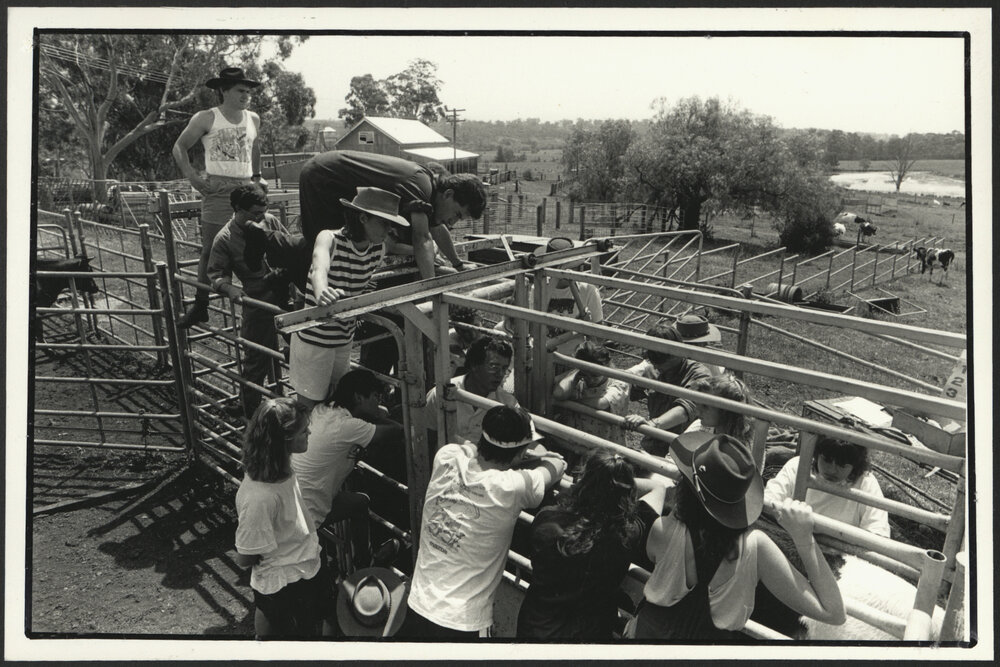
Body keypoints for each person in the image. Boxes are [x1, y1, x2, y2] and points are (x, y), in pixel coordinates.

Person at [629, 431, 845, 640]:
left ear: (685, 487)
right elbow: (833, 613)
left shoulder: (663, 529)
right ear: (740, 502)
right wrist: (804, 539)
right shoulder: (755, 547)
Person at [400, 406, 567, 639]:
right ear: (521, 453)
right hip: (464, 621)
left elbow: (467, 448)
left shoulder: (447, 456)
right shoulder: (512, 486)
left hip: (419, 603)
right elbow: (556, 466)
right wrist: (539, 457)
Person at [289, 187, 405, 410]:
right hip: (316, 340)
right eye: (384, 223)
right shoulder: (329, 237)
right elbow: (318, 266)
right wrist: (321, 289)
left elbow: (370, 277)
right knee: (308, 407)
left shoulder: (377, 249)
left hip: (343, 340)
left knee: (336, 402)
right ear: (363, 218)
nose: (389, 230)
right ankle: (303, 444)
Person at [515, 450, 648, 641]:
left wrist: (599, 477)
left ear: (583, 481)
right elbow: (657, 489)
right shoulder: (628, 533)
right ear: (626, 491)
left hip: (537, 629)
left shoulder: (547, 519)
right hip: (589, 637)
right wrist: (615, 476)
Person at [297, 150, 486, 280]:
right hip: (322, 177)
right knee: (329, 247)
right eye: (457, 214)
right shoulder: (421, 185)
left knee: (348, 248)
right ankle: (306, 297)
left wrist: (458, 265)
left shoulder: (430, 191)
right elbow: (422, 238)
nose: (453, 221)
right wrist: (432, 293)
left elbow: (436, 228)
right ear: (448, 195)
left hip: (333, 176)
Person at [172, 67, 265, 328]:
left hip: (247, 191)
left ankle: (260, 303)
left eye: (248, 91)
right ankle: (201, 305)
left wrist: (257, 178)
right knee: (210, 250)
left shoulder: (253, 119)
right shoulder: (206, 118)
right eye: (240, 91)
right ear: (223, 91)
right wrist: (192, 176)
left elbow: (255, 147)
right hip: (217, 190)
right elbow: (179, 146)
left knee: (255, 246)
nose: (246, 95)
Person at [234, 398, 333, 638]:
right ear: (284, 440)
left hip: (301, 563)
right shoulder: (260, 497)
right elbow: (245, 558)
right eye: (303, 430)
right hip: (284, 581)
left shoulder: (283, 468)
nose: (309, 431)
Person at [291, 369, 405, 570]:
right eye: (375, 398)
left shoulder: (323, 411)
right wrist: (379, 415)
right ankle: (362, 565)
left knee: (359, 503)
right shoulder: (348, 427)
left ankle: (363, 561)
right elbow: (397, 430)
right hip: (308, 513)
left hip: (292, 501)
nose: (378, 403)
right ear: (359, 397)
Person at [206, 184, 291, 418]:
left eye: (263, 212)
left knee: (303, 346)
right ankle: (249, 408)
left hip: (287, 294)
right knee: (255, 356)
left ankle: (299, 401)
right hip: (258, 300)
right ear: (236, 209)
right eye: (254, 213)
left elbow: (289, 246)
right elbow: (215, 274)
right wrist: (228, 287)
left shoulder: (271, 221)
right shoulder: (225, 238)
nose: (260, 218)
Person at [764, 436, 891, 538]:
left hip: (841, 556)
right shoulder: (799, 466)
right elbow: (768, 499)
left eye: (842, 465)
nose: (832, 470)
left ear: (855, 466)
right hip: (790, 539)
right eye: (827, 460)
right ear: (816, 455)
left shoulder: (866, 482)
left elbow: (878, 532)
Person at [623, 321, 714, 452]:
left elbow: (685, 409)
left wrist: (653, 424)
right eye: (653, 361)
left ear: (677, 353)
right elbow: (628, 391)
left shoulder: (698, 373)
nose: (656, 366)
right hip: (654, 443)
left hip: (687, 448)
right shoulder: (653, 369)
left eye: (661, 361)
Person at [425, 335, 519, 448]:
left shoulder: (508, 402)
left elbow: (525, 441)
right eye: (494, 366)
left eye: (504, 368)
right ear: (474, 365)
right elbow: (427, 439)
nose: (500, 374)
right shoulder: (440, 394)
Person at [551, 341, 630, 446]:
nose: (590, 380)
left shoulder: (619, 380)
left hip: (607, 442)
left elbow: (602, 404)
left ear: (607, 367)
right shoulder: (580, 379)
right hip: (582, 441)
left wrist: (572, 401)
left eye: (595, 375)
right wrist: (576, 374)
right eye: (585, 374)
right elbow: (558, 394)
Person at [683, 374, 753, 443]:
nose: (698, 411)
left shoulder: (743, 446)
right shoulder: (698, 427)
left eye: (705, 406)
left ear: (726, 411)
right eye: (697, 404)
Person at [447, 305, 482, 377]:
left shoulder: (488, 335)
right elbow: (467, 369)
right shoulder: (450, 339)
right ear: (457, 330)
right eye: (466, 331)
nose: (473, 334)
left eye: (476, 326)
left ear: (482, 320)